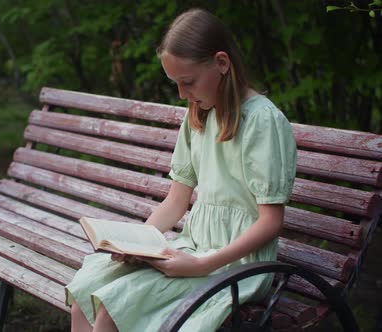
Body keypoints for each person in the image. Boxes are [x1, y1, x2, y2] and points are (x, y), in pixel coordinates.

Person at [65, 7, 297, 332]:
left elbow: (271, 222)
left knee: (114, 310)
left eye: (187, 82)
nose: (181, 94)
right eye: (175, 83)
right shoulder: (198, 116)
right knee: (87, 292)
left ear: (221, 63)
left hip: (237, 267)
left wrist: (202, 265)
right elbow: (176, 202)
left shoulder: (263, 122)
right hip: (192, 249)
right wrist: (138, 246)